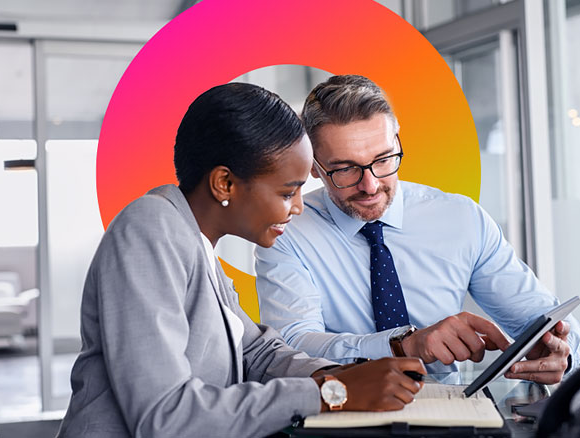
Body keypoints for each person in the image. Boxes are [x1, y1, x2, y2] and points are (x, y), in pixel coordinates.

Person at [57, 83, 426, 438]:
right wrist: (331, 393)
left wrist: (342, 375)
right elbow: (164, 416)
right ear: (225, 184)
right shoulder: (151, 231)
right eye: (287, 192)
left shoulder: (194, 241)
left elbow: (256, 351)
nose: (298, 207)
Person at [255, 74, 580, 384]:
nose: (370, 185)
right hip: (343, 414)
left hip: (456, 415)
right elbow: (292, 349)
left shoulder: (460, 219)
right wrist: (403, 346)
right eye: (345, 169)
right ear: (314, 166)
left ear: (398, 137)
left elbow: (545, 318)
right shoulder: (287, 231)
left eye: (383, 159)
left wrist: (561, 353)